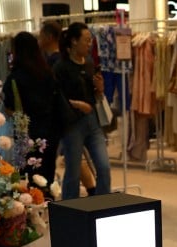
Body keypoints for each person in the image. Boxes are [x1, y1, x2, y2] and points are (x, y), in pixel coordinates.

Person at [53, 22, 111, 200]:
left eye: (90, 40)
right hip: (72, 125)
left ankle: (101, 206)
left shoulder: (90, 64)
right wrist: (78, 105)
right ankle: (69, 210)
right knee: (73, 171)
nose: (89, 44)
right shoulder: (60, 67)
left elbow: (95, 96)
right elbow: (56, 97)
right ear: (73, 41)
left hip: (92, 121)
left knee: (104, 166)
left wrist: (100, 89)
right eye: (86, 40)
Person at [3, 31, 63, 188]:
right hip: (50, 130)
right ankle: (49, 206)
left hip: (26, 132)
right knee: (47, 175)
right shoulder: (47, 73)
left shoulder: (15, 77)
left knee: (28, 177)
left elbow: (10, 109)